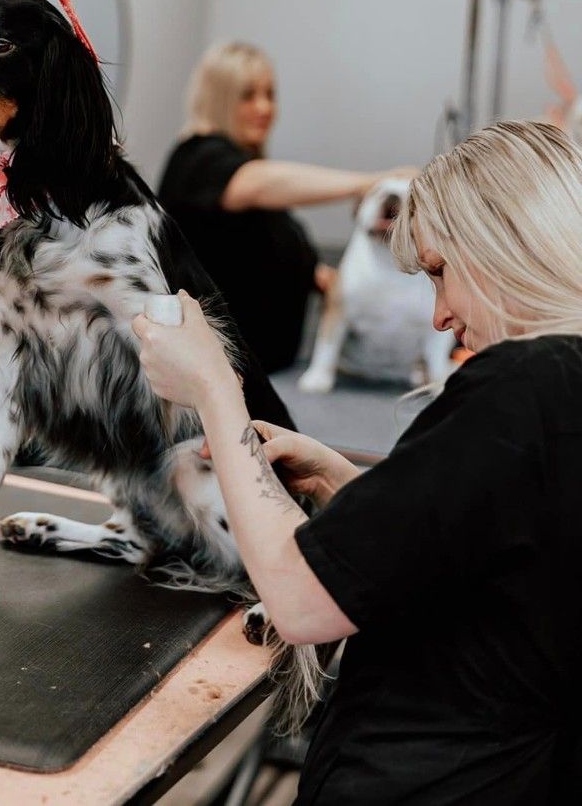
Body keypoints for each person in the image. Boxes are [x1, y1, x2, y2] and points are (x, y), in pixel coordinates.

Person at [135, 120, 582, 804]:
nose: (438, 316)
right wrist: (347, 485)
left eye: (438, 272)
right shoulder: (564, 388)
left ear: (504, 241)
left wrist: (213, 390)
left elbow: (301, 603)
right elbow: (500, 550)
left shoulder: (522, 384)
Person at [158, 42, 411, 372]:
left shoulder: (253, 183)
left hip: (269, 370)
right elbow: (255, 183)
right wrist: (372, 182)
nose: (264, 107)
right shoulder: (197, 158)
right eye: (248, 96)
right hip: (221, 372)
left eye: (270, 94)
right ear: (220, 99)